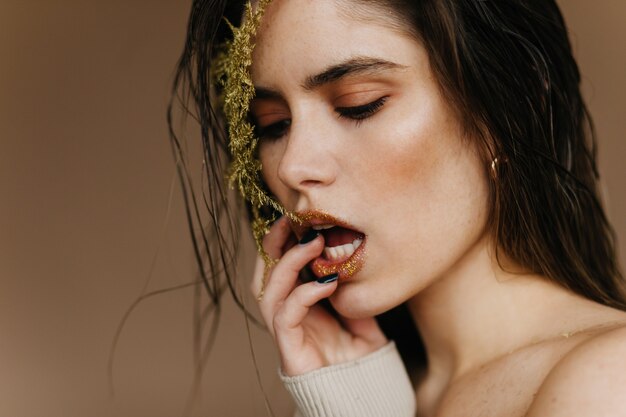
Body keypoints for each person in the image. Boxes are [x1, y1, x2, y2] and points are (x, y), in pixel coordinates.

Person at [168, 0, 626, 416]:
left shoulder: (607, 381)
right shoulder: (374, 390)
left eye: (358, 105)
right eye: (274, 125)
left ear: (507, 104)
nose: (292, 165)